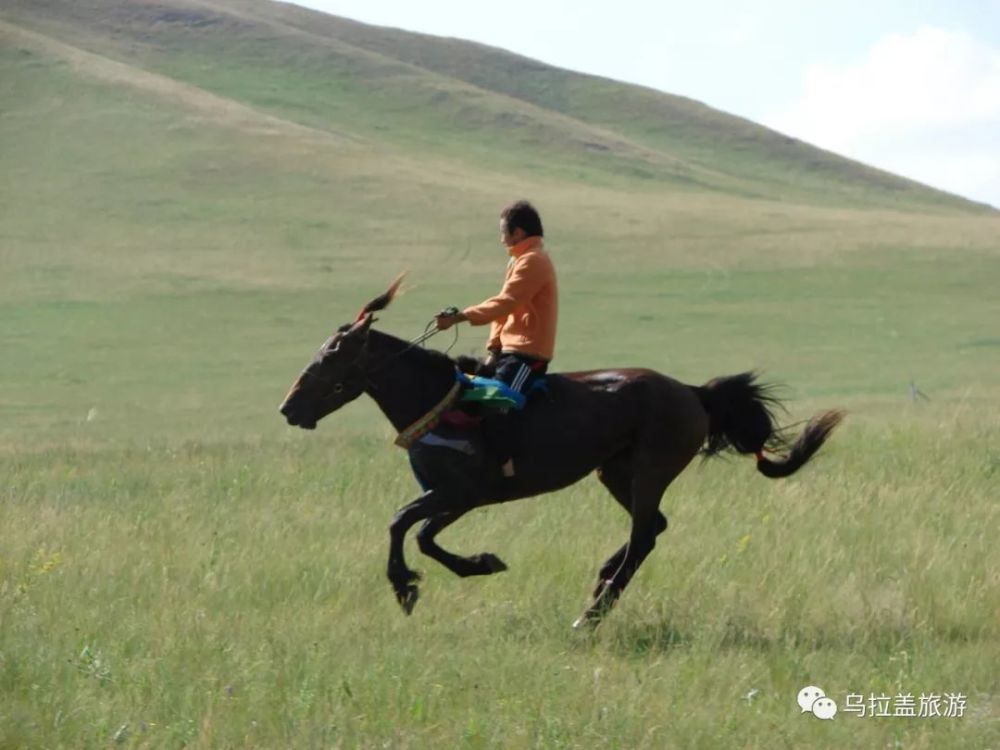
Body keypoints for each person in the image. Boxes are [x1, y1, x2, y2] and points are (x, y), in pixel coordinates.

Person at [435, 200, 558, 477]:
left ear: (518, 233)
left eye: (504, 232)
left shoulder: (534, 261)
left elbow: (505, 303)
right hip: (509, 352)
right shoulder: (518, 260)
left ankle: (508, 471)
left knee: (495, 402)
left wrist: (460, 317)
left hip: (528, 354)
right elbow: (505, 313)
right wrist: (493, 349)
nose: (501, 238)